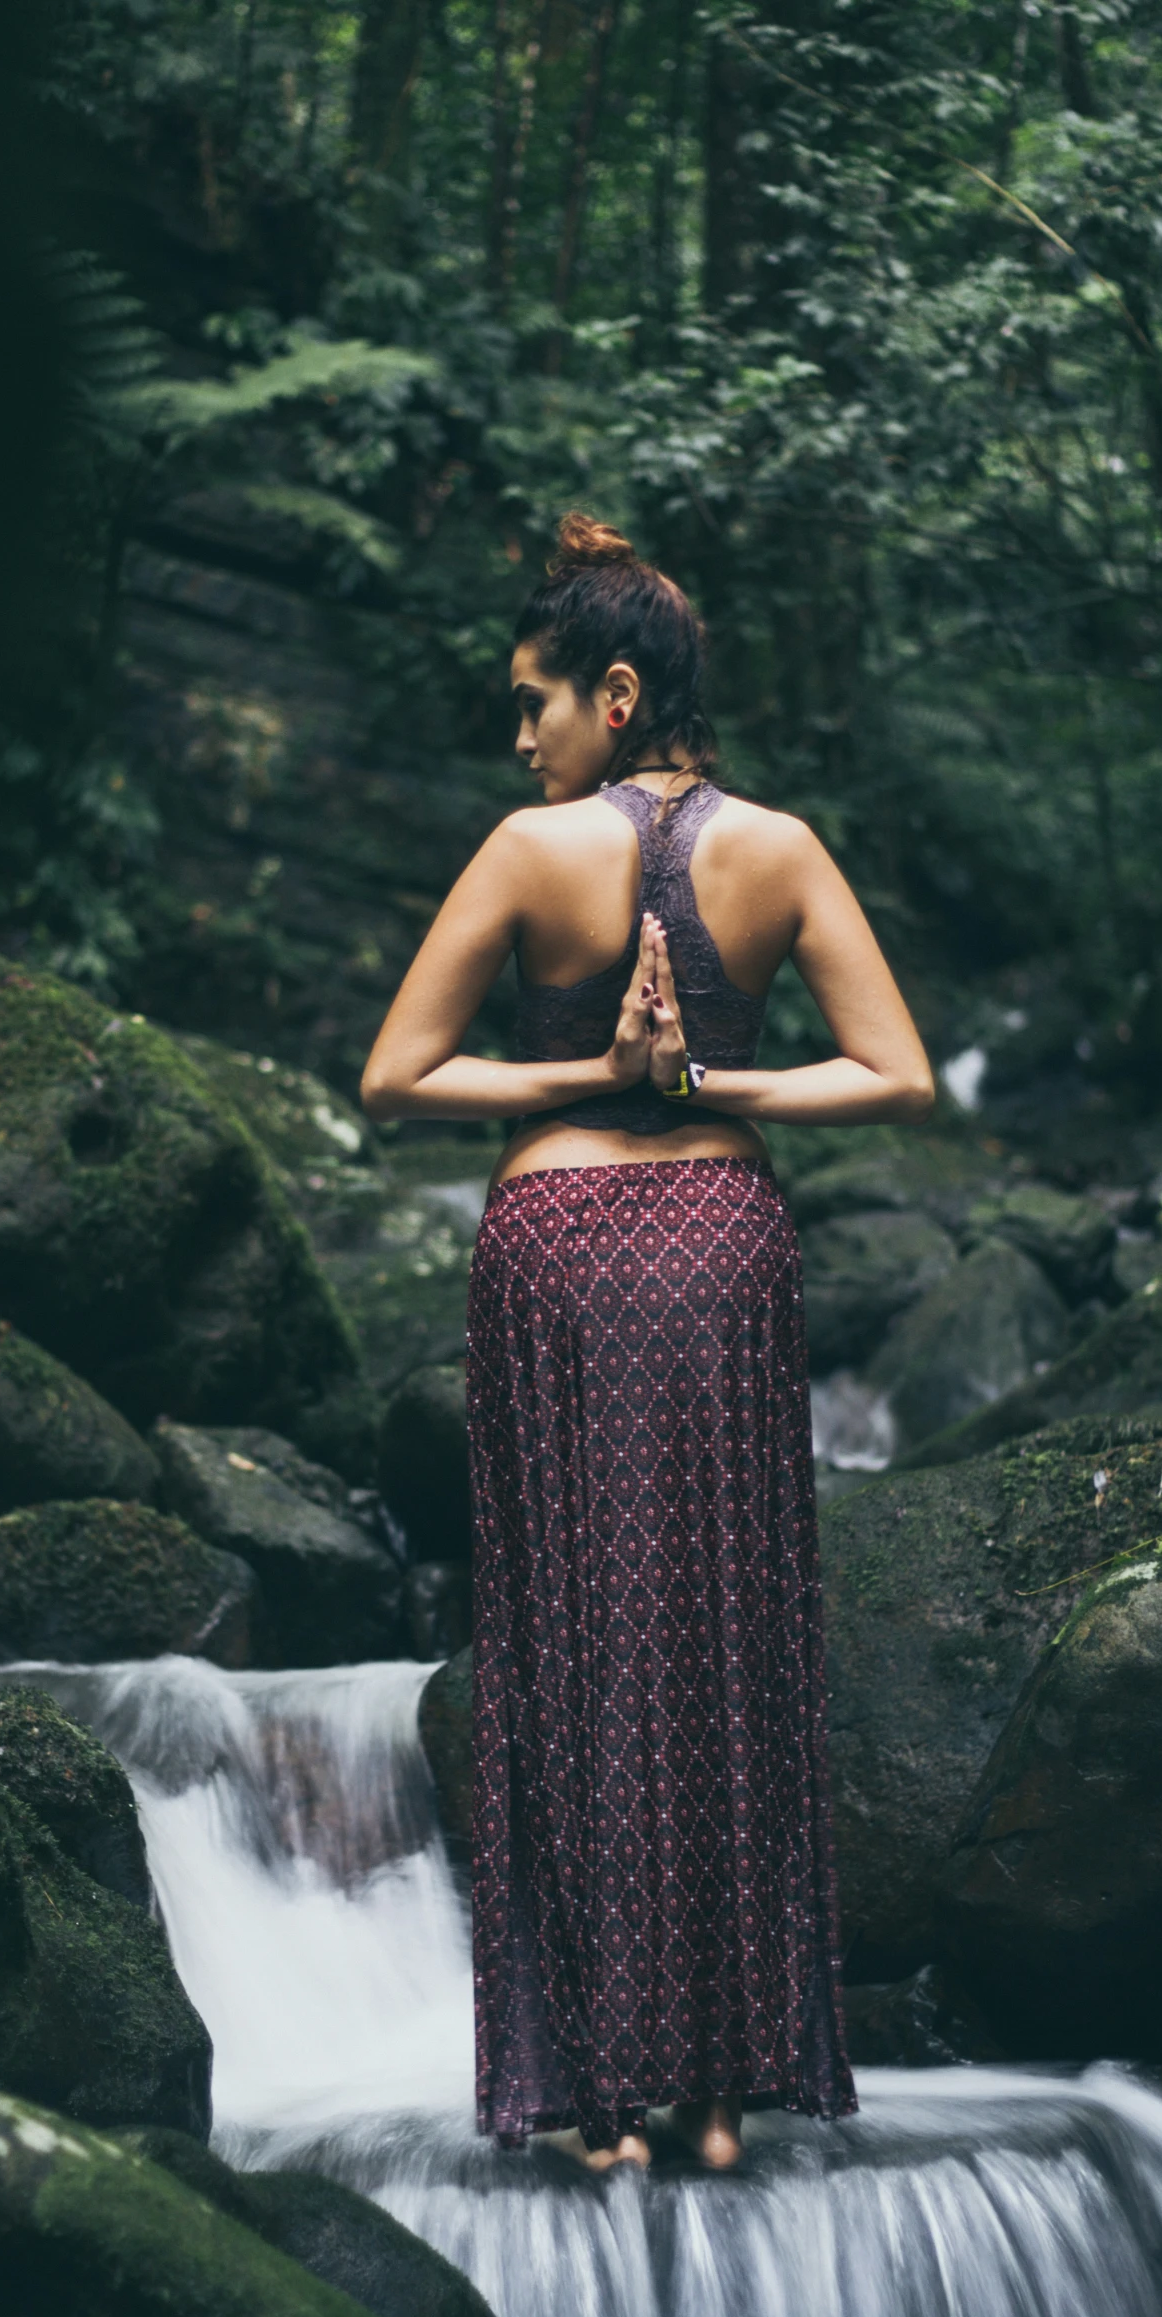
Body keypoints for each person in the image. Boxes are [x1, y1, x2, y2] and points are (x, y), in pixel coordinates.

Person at [361, 513, 934, 2172]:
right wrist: (711, 1085)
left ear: (615, 697)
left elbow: (398, 1076)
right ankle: (719, 2096)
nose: (518, 735)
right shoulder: (781, 849)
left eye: (532, 701)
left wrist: (579, 1077)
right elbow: (890, 1072)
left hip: (558, 1249)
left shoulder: (526, 852)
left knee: (576, 1648)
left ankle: (592, 2092)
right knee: (728, 1643)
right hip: (720, 1251)